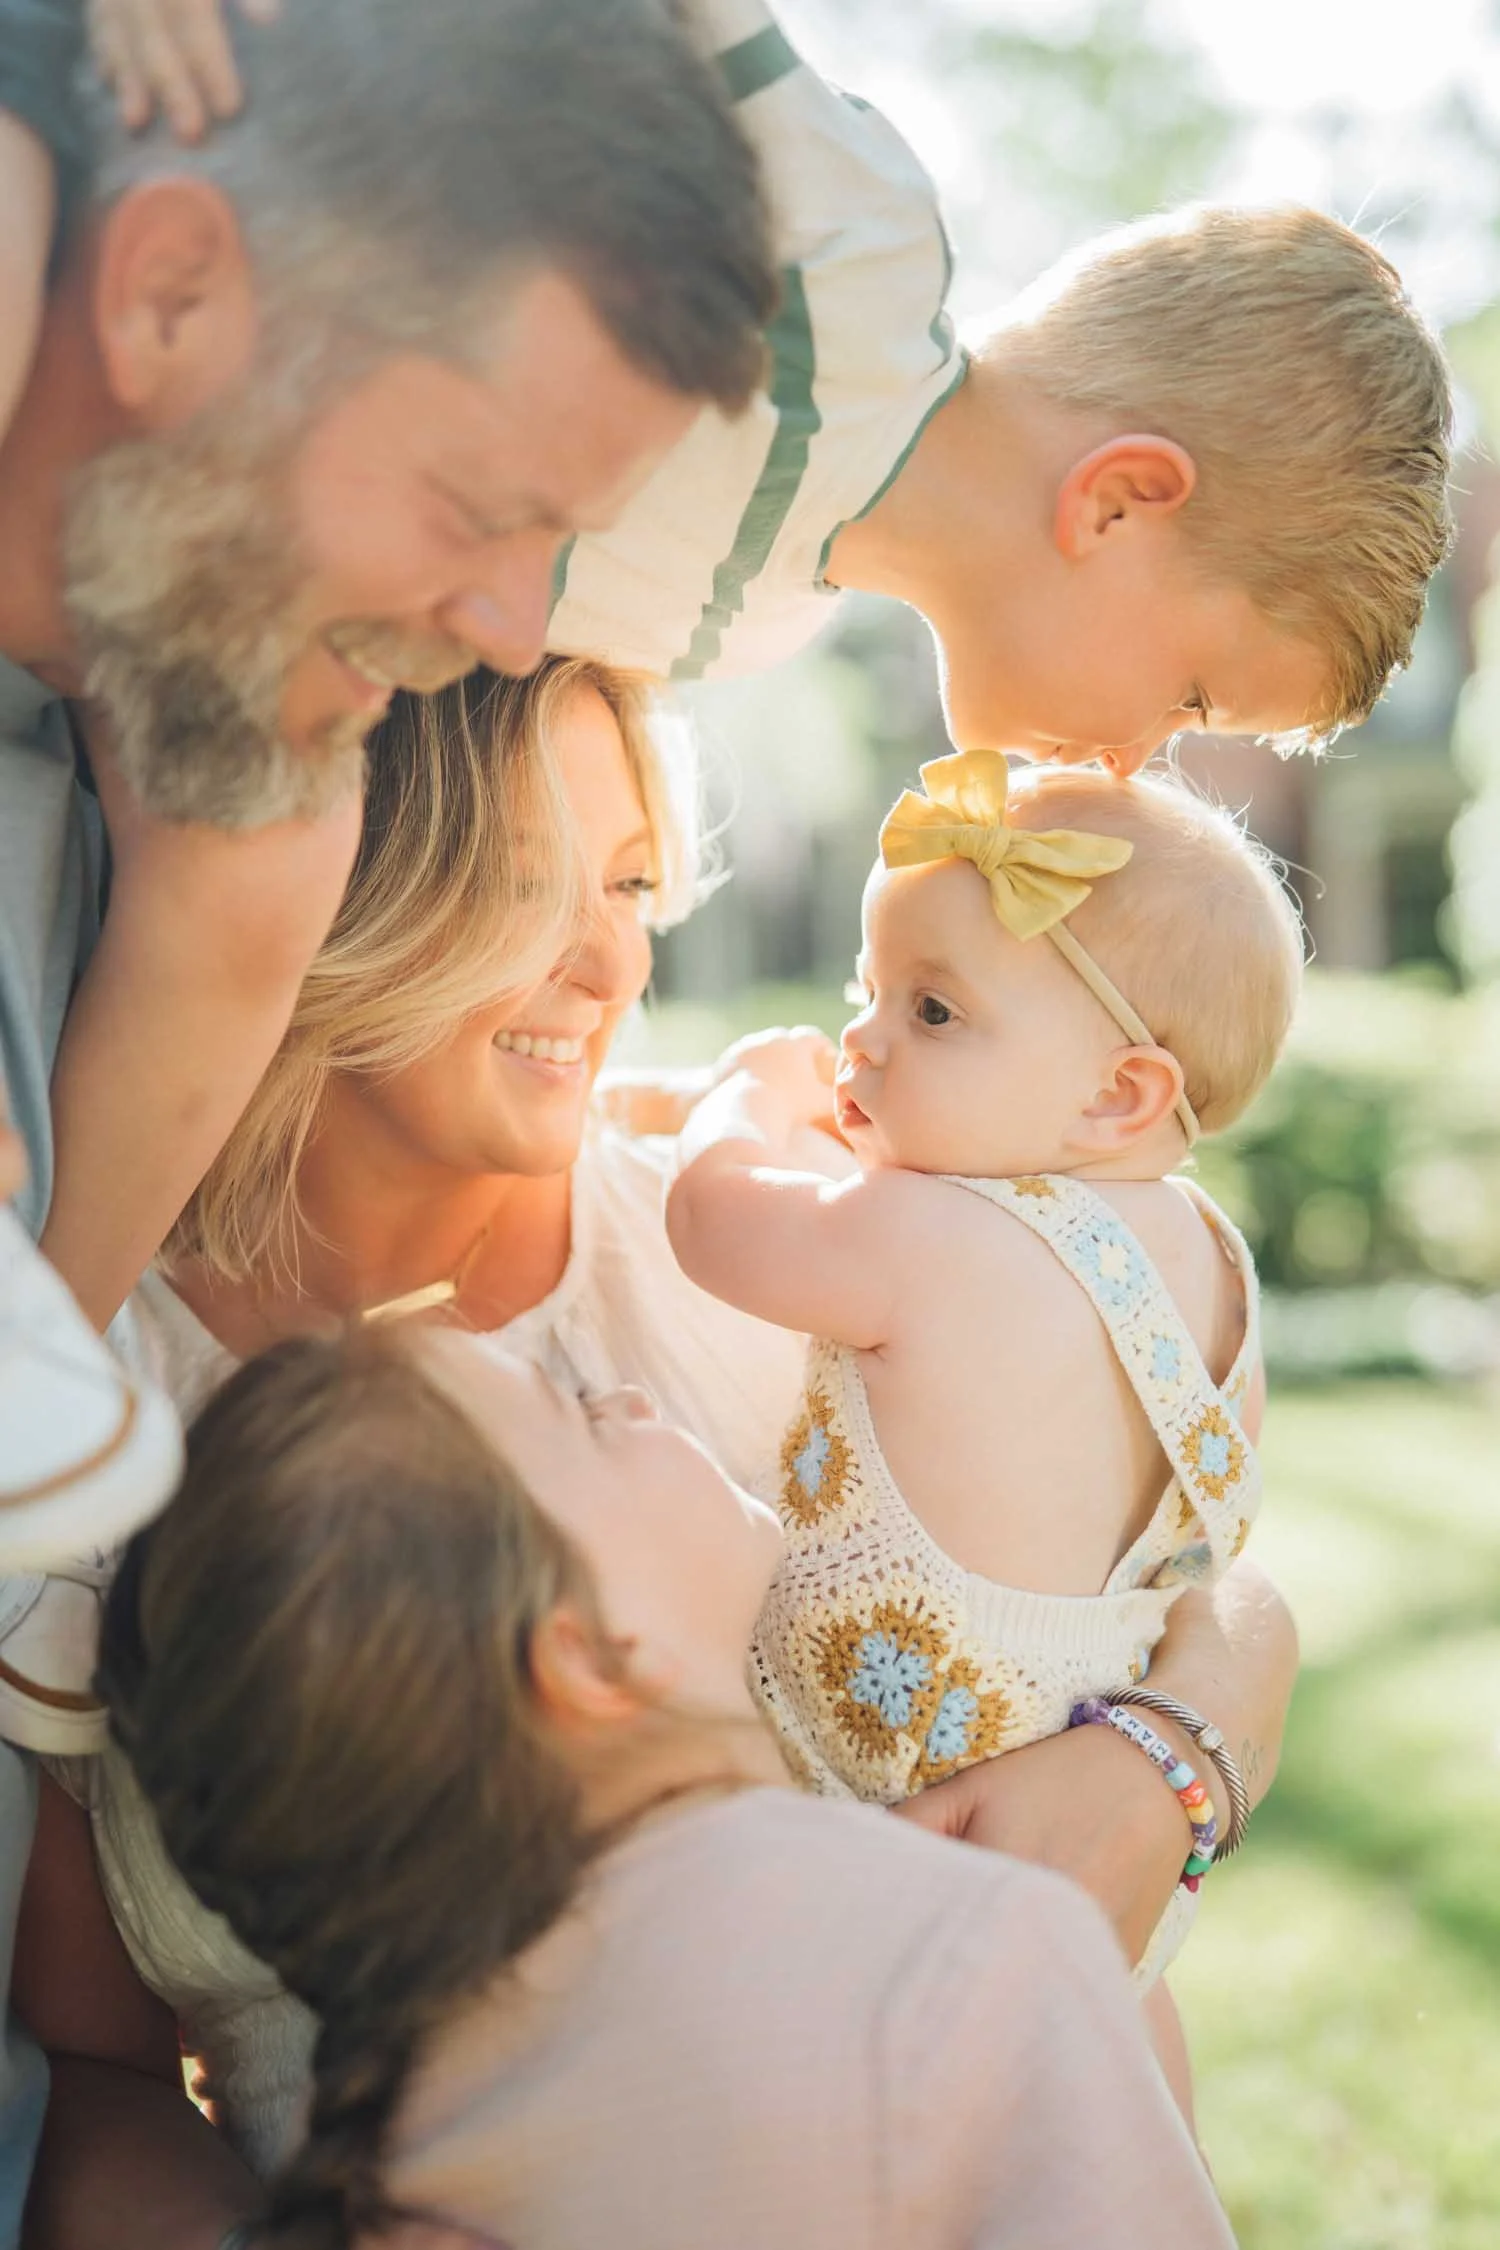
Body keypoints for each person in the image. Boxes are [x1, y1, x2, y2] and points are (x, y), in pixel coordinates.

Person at [0, 4, 777, 2235]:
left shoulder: (723, 1265)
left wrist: (1182, 1726)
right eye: (475, 507)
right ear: (157, 290)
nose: (508, 623)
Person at [93, 1319, 1240, 2250]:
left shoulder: (389, 2115)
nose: (634, 1400)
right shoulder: (956, 1955)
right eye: (587, 1417)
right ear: (589, 1655)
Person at [667, 754, 1304, 2110]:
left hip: (880, 1815)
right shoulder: (1219, 1269)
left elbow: (712, 1220)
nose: (863, 1041)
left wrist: (738, 1100)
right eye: (867, 989)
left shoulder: (921, 1236)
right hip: (1094, 1831)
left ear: (1119, 1095)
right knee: (1117, 2125)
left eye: (934, 1007)